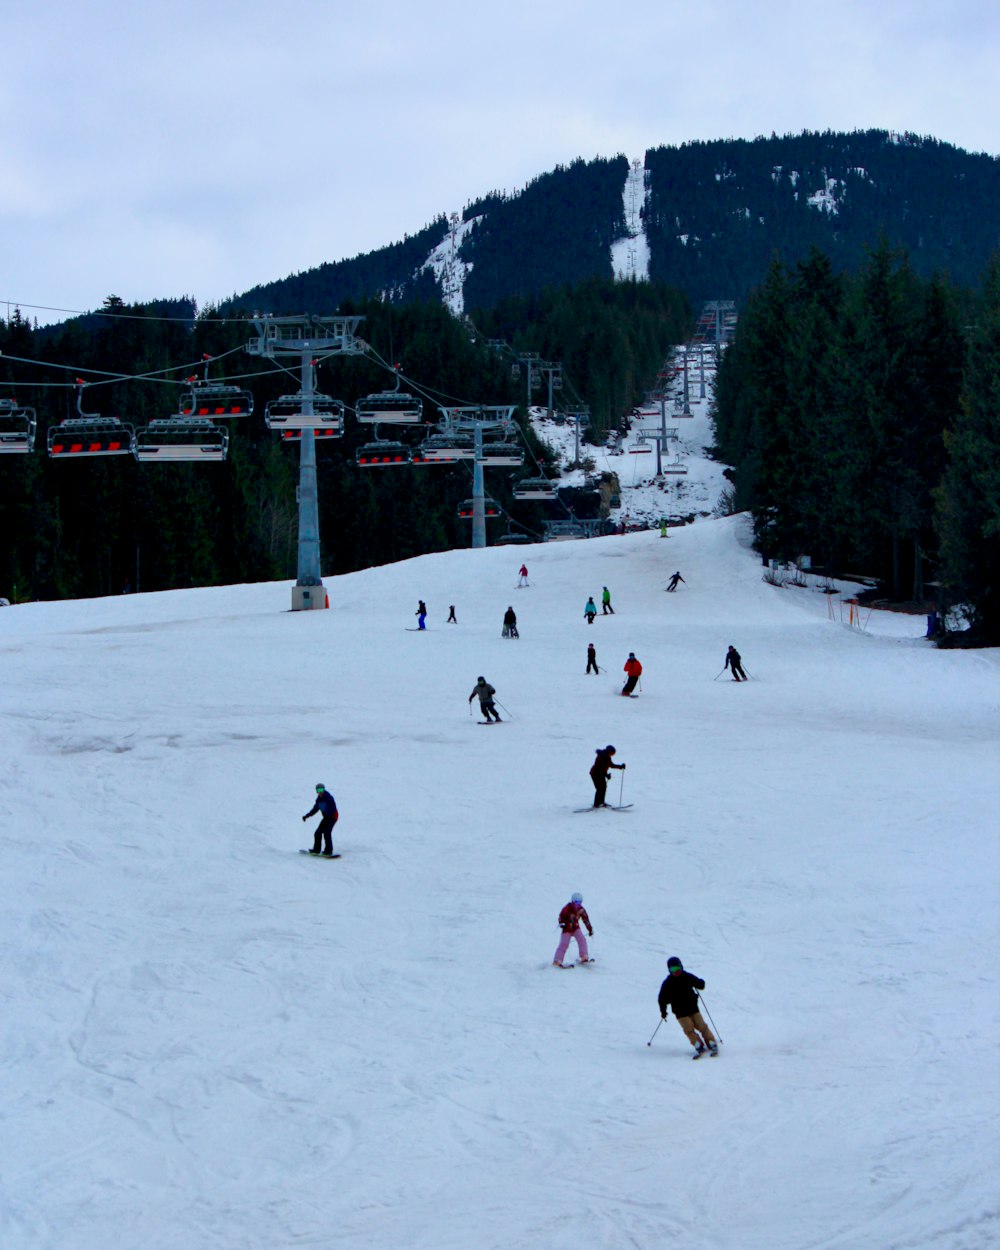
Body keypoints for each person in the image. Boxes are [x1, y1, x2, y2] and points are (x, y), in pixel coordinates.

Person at [657, 956, 718, 1057]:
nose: (676, 972)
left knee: (701, 1025)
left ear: (681, 967)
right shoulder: (668, 983)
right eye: (673, 970)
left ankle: (711, 1042)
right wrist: (663, 1011)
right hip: (680, 1012)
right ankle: (698, 1044)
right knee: (688, 1029)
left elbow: (700, 984)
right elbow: (662, 999)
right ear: (669, 970)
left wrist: (700, 983)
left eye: (678, 969)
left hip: (693, 1008)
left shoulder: (687, 977)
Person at [552, 892, 594, 968]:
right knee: (564, 944)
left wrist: (590, 929)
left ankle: (584, 956)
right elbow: (561, 916)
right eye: (577, 902)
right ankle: (557, 960)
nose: (578, 904)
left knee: (582, 940)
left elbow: (586, 919)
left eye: (580, 902)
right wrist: (561, 923)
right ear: (573, 901)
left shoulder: (581, 909)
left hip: (575, 928)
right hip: (567, 928)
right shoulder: (567, 908)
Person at [302, 783, 339, 857]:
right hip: (326, 818)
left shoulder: (329, 797)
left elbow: (333, 808)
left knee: (326, 832)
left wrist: (328, 815)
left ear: (324, 789)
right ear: (316, 791)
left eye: (321, 789)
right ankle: (316, 850)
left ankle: (328, 851)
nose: (320, 791)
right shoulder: (318, 800)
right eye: (318, 790)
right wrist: (307, 816)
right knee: (317, 833)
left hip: (333, 817)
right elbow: (315, 809)